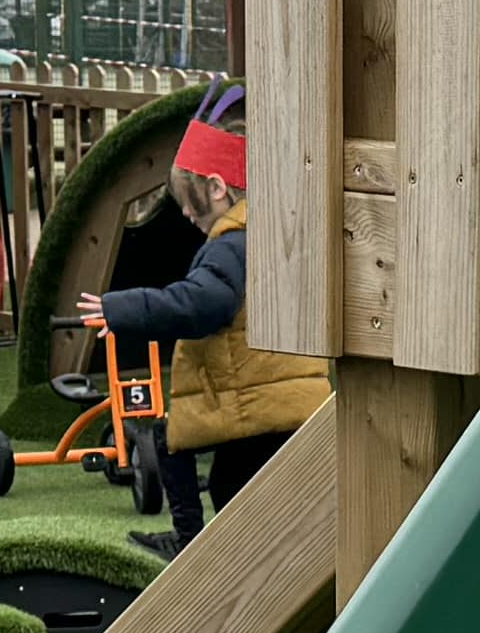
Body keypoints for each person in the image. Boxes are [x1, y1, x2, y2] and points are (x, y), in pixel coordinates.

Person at [77, 91, 322, 546]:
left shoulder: (229, 245)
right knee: (183, 448)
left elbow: (201, 305)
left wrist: (123, 308)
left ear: (216, 188)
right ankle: (201, 541)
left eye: (190, 202)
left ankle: (191, 544)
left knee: (216, 475)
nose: (186, 214)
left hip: (252, 401)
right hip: (283, 393)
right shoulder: (274, 232)